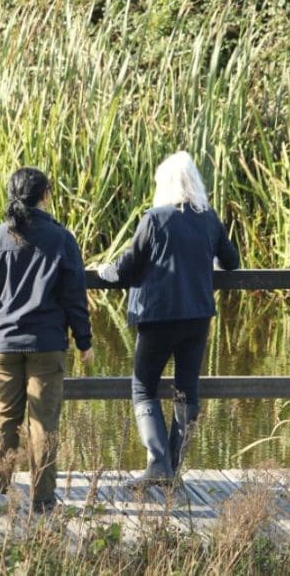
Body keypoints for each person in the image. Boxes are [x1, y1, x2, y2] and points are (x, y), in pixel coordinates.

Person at [98, 151, 240, 488]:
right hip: (197, 316)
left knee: (143, 387)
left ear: (165, 184)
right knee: (186, 392)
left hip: (158, 316)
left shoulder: (155, 219)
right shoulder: (209, 218)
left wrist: (106, 271)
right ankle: (172, 468)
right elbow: (231, 262)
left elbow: (129, 265)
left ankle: (158, 464)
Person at [0, 167, 94, 513]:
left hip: (4, 342)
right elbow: (74, 296)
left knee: (3, 416)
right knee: (43, 421)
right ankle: (42, 499)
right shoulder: (61, 239)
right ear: (45, 196)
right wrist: (84, 340)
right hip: (47, 343)